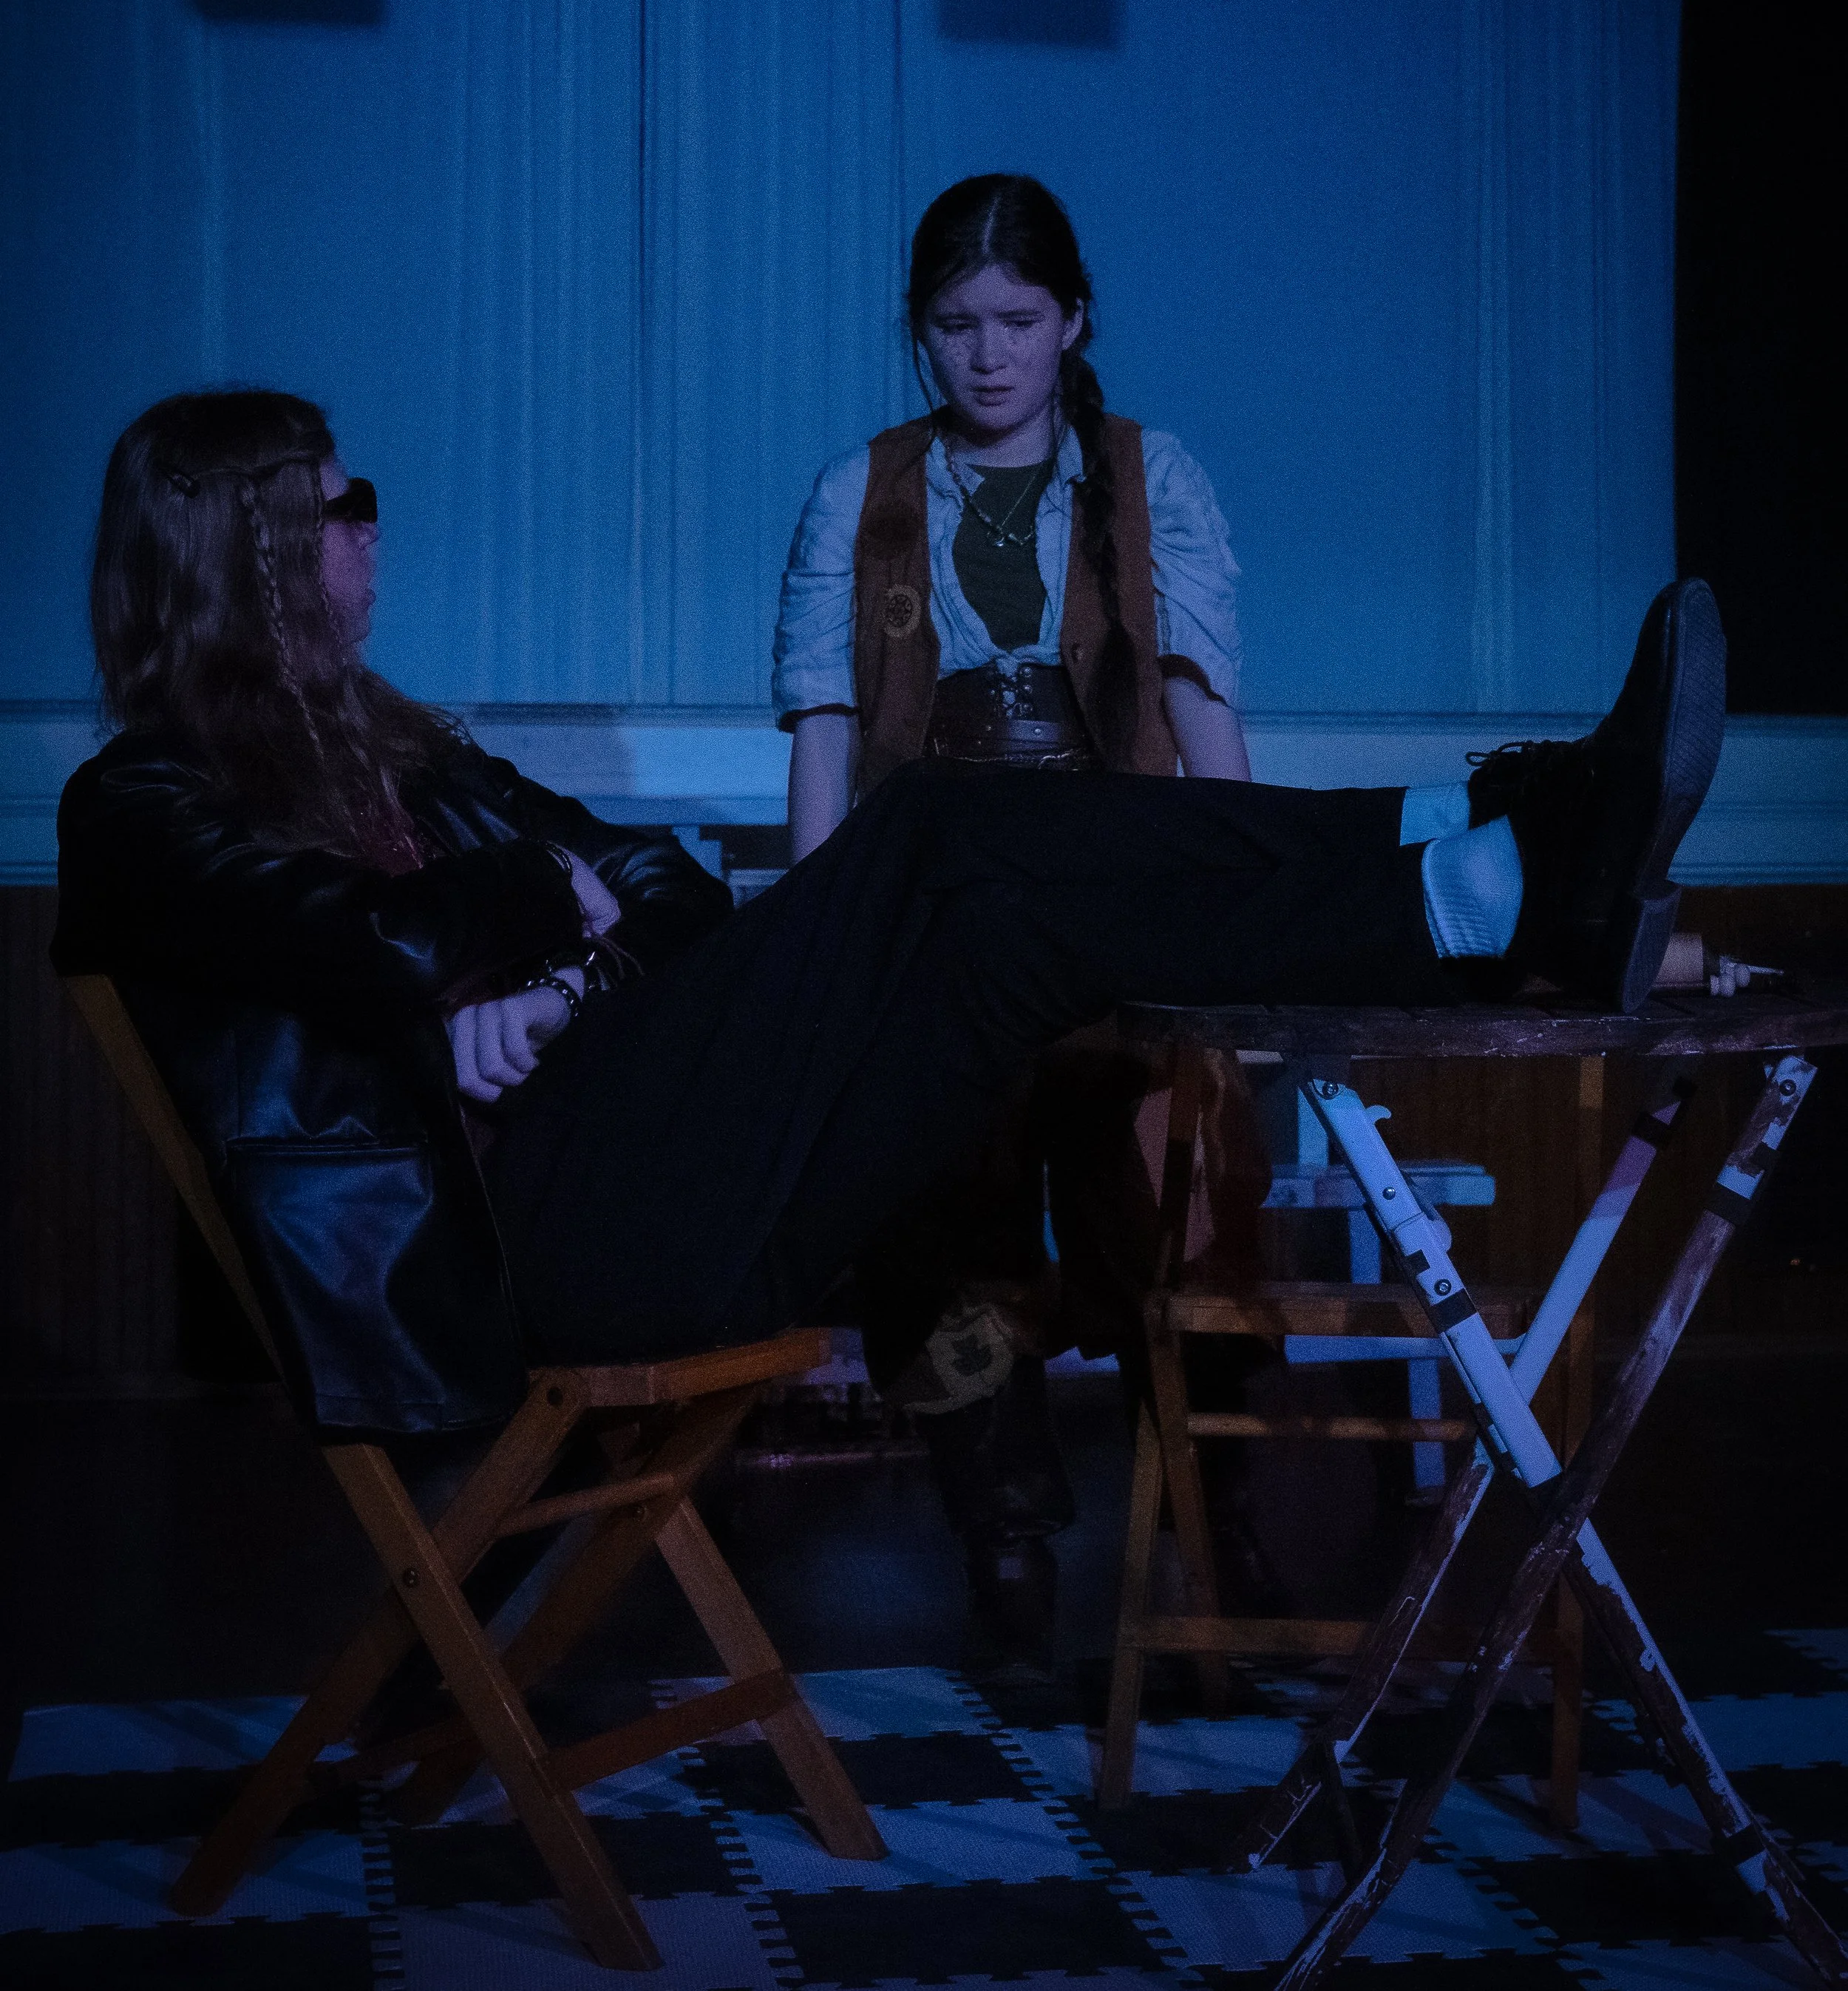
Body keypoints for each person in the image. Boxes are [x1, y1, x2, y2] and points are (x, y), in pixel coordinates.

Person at [52, 388, 1723, 1487]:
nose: (369, 521)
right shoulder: (142, 805)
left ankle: (1469, 872)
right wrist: (527, 925)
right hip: (525, 1253)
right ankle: (1487, 858)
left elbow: (669, 893)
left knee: (1007, 941)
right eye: (342, 500)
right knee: (926, 820)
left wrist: (555, 978)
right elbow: (381, 946)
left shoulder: (412, 748)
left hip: (665, 1180)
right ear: (256, 556)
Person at [772, 173, 1260, 1669]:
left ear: (1073, 322)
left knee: (1173, 1202)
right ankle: (997, 1514)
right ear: (916, 334)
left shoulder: (1144, 476)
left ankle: (1208, 1501)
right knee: (942, 1227)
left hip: (1113, 896)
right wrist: (819, 940)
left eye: (1017, 322)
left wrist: (1241, 904)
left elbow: (1196, 703)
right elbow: (823, 733)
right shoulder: (863, 491)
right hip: (942, 906)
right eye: (953, 326)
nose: (987, 357)